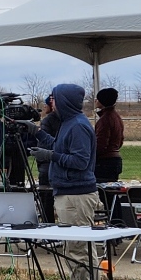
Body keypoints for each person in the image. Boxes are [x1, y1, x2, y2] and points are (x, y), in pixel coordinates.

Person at [29, 84, 99, 226]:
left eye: (54, 99)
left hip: (76, 195)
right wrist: (38, 132)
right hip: (68, 192)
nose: (51, 103)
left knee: (78, 245)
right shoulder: (69, 122)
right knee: (73, 245)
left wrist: (50, 156)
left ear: (64, 101)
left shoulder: (78, 125)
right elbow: (59, 146)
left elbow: (80, 161)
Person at [92, 87, 124, 183]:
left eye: (97, 99)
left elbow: (101, 144)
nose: (95, 100)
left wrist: (91, 156)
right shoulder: (116, 117)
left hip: (105, 163)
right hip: (115, 160)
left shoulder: (105, 120)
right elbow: (120, 140)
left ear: (102, 101)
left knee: (103, 193)